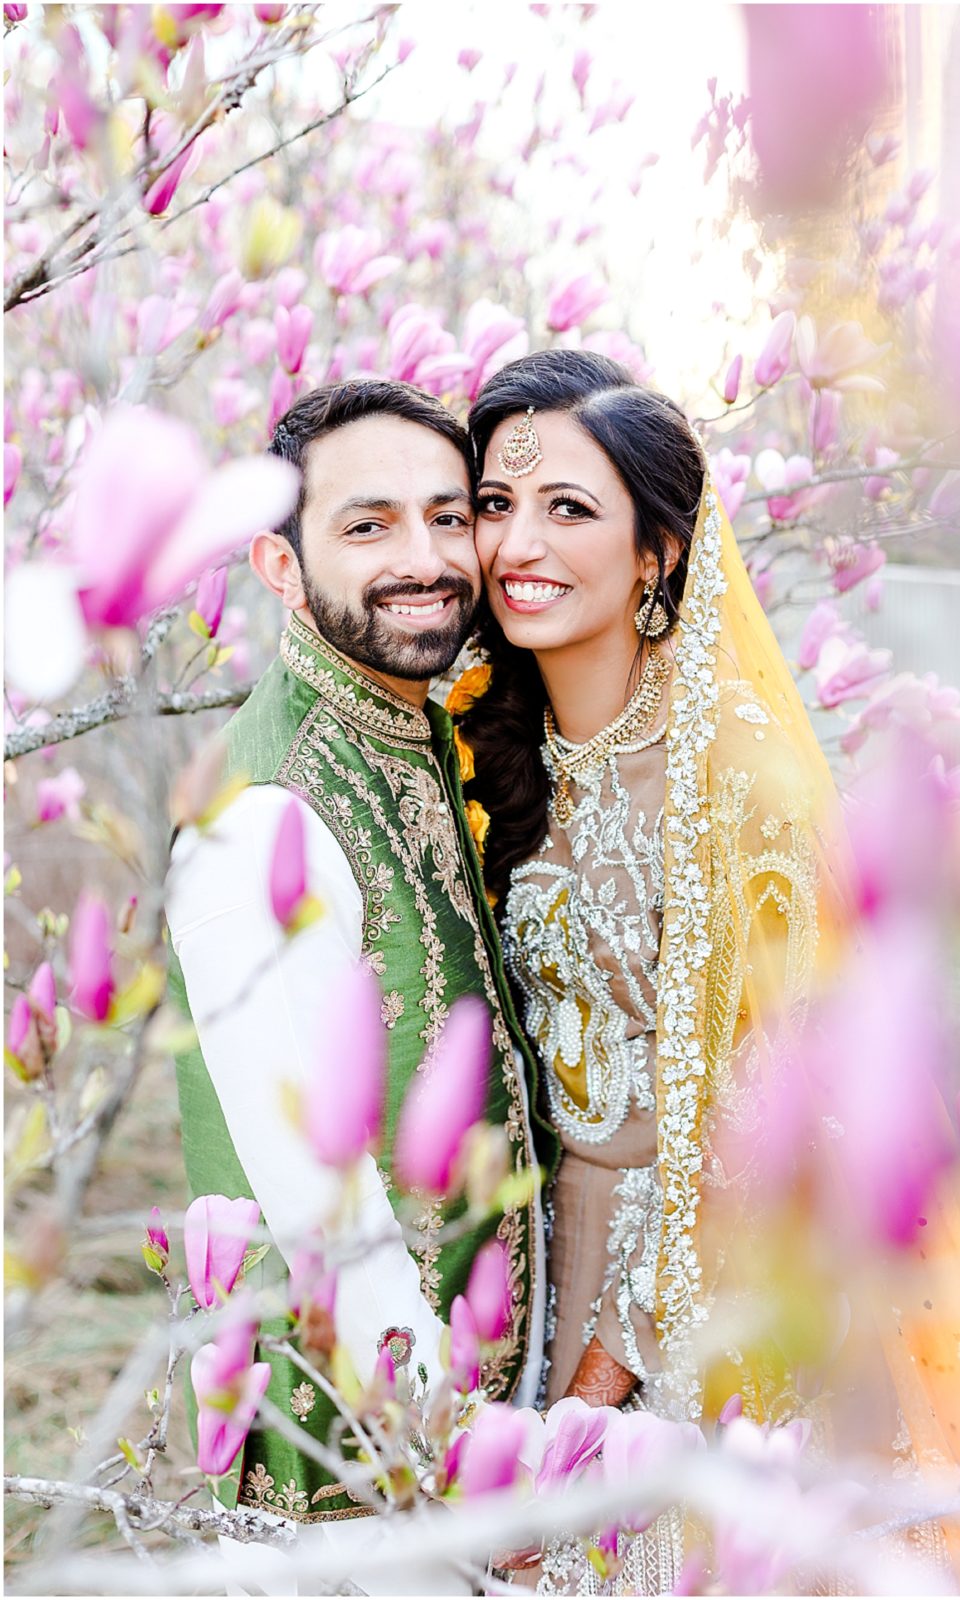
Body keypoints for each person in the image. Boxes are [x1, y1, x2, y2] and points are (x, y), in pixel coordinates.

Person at [457, 349, 960, 1593]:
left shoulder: (743, 785)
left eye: (567, 506)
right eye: (494, 503)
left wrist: (590, 1393)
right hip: (536, 1258)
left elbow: (767, 1110)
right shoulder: (486, 738)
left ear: (656, 553)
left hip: (700, 1288)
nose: (517, 538)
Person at [166, 378, 555, 1589]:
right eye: (368, 525)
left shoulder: (407, 726)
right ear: (279, 567)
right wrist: (458, 1455)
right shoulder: (263, 812)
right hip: (364, 1473)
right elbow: (321, 1212)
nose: (430, 558)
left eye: (450, 517)